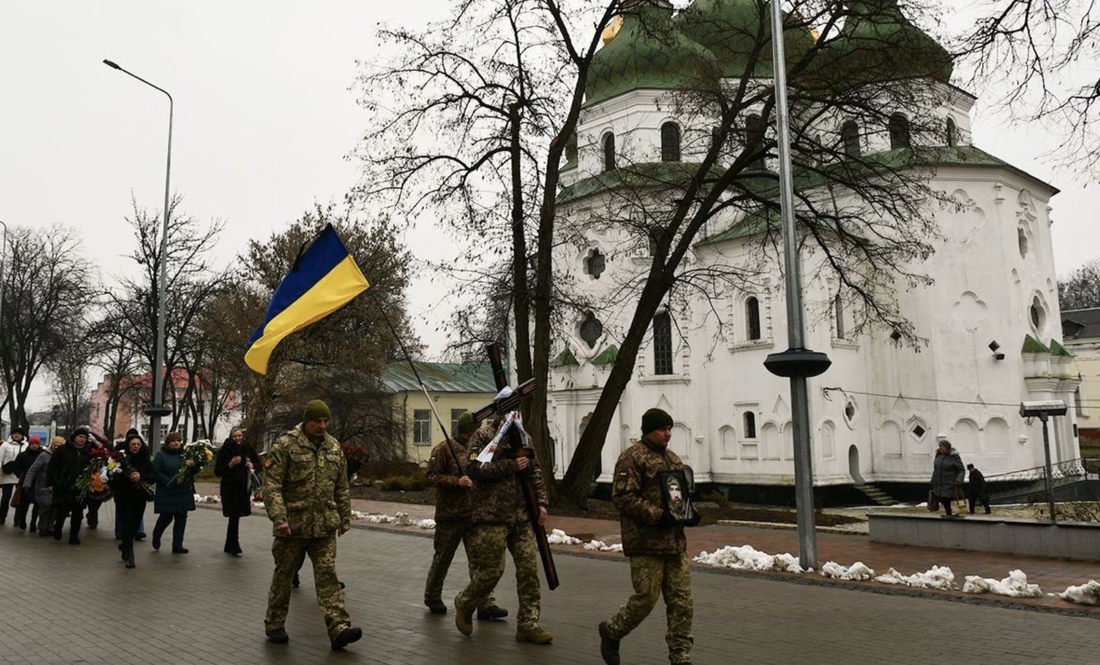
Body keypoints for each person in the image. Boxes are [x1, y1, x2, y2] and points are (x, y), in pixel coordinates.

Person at [598, 408, 700, 665]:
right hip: (646, 543)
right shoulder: (632, 459)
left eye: (670, 429)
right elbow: (622, 497)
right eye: (662, 429)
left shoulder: (674, 460)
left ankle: (680, 653)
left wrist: (690, 513)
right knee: (645, 599)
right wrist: (657, 516)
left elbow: (679, 495)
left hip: (674, 543)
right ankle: (612, 631)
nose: (668, 434)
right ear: (648, 431)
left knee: (682, 602)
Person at [263, 399, 362, 650]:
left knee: (328, 575)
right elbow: (272, 485)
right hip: (293, 527)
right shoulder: (286, 445)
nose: (322, 425)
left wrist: (345, 517)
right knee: (284, 576)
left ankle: (339, 627)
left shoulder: (333, 447)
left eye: (326, 421)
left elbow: (341, 485)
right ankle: (275, 623)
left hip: (324, 527)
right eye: (317, 421)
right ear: (306, 421)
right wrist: (280, 518)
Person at [454, 404, 551, 645]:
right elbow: (473, 467)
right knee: (491, 571)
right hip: (491, 516)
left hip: (521, 516)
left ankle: (528, 623)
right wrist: (509, 466)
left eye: (518, 410)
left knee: (529, 570)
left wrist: (541, 503)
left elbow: (535, 471)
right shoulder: (483, 437)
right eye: (511, 411)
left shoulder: (524, 437)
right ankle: (465, 602)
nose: (515, 415)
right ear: (501, 414)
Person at [423, 412, 506, 620]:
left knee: (480, 561)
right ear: (470, 431)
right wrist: (456, 482)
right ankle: (433, 596)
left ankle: (485, 603)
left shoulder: (479, 451)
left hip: (474, 515)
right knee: (442, 558)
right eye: (477, 429)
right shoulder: (444, 449)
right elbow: (431, 476)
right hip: (450, 515)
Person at [109, 433, 155, 568]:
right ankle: (130, 556)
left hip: (140, 497)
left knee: (135, 525)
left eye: (138, 444)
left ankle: (125, 545)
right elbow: (112, 477)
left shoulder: (145, 460)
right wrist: (127, 476)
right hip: (124, 497)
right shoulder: (120, 460)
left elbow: (154, 475)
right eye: (133, 444)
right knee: (127, 524)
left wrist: (141, 476)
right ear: (128, 446)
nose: (136, 447)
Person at [151, 431, 200, 553]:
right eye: (173, 441)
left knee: (181, 518)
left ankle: (177, 545)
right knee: (166, 517)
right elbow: (155, 472)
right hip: (167, 491)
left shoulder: (186, 454)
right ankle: (156, 535)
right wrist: (167, 481)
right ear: (168, 443)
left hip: (183, 491)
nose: (176, 443)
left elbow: (194, 471)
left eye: (178, 440)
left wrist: (193, 465)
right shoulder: (161, 455)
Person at [215, 427, 260, 556]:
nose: (237, 438)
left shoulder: (246, 447)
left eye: (239, 436)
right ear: (231, 437)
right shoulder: (225, 449)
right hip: (230, 488)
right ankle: (233, 545)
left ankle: (231, 544)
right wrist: (231, 464)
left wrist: (253, 466)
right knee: (233, 516)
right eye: (235, 436)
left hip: (243, 487)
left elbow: (258, 462)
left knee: (236, 517)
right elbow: (218, 471)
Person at [46, 427, 93, 544]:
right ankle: (58, 529)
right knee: (62, 511)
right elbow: (52, 466)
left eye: (84, 437)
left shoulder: (88, 451)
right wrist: (52, 482)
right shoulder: (63, 450)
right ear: (74, 438)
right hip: (64, 486)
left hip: (80, 487)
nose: (82, 439)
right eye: (80, 437)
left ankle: (74, 536)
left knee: (78, 513)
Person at [25, 436, 62, 537]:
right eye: (55, 445)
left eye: (59, 445)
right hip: (43, 486)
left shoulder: (62, 456)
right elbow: (33, 469)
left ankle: (50, 526)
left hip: (57, 486)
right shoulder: (44, 456)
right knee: (45, 507)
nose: (57, 447)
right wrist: (27, 483)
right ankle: (42, 527)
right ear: (52, 444)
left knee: (54, 508)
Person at [12, 434, 44, 531]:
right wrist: (20, 474)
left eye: (37, 444)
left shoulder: (42, 455)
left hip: (38, 482)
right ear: (29, 444)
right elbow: (15, 467)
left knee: (37, 504)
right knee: (24, 503)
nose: (35, 446)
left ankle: (33, 522)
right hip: (25, 482)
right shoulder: (22, 455)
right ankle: (22, 520)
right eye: (33, 443)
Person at [931, 439, 965, 518]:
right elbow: (936, 469)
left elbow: (961, 470)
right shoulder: (938, 456)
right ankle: (948, 515)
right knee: (944, 501)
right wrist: (933, 480)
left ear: (947, 447)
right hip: (940, 484)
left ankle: (955, 515)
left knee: (951, 501)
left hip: (951, 484)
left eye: (942, 446)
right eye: (939, 446)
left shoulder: (954, 457)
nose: (940, 448)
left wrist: (958, 480)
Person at [0, 427, 28, 525]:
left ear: (22, 435)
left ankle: (18, 520)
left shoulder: (26, 445)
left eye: (19, 434)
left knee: (19, 498)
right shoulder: (5, 445)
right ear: (12, 435)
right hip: (7, 475)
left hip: (20, 475)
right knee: (5, 498)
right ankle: (2, 517)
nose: (17, 435)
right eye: (15, 433)